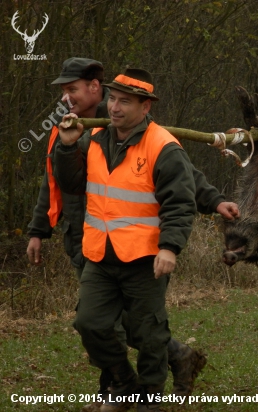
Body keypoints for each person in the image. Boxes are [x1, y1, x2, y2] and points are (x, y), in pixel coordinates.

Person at [54, 68, 239, 411]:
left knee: (147, 334)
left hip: (145, 256)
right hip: (99, 253)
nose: (115, 107)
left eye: (125, 101)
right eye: (112, 99)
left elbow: (180, 200)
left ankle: (149, 400)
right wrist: (66, 149)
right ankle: (123, 384)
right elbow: (70, 184)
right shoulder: (94, 138)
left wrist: (170, 247)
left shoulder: (162, 145)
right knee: (89, 324)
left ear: (145, 106)